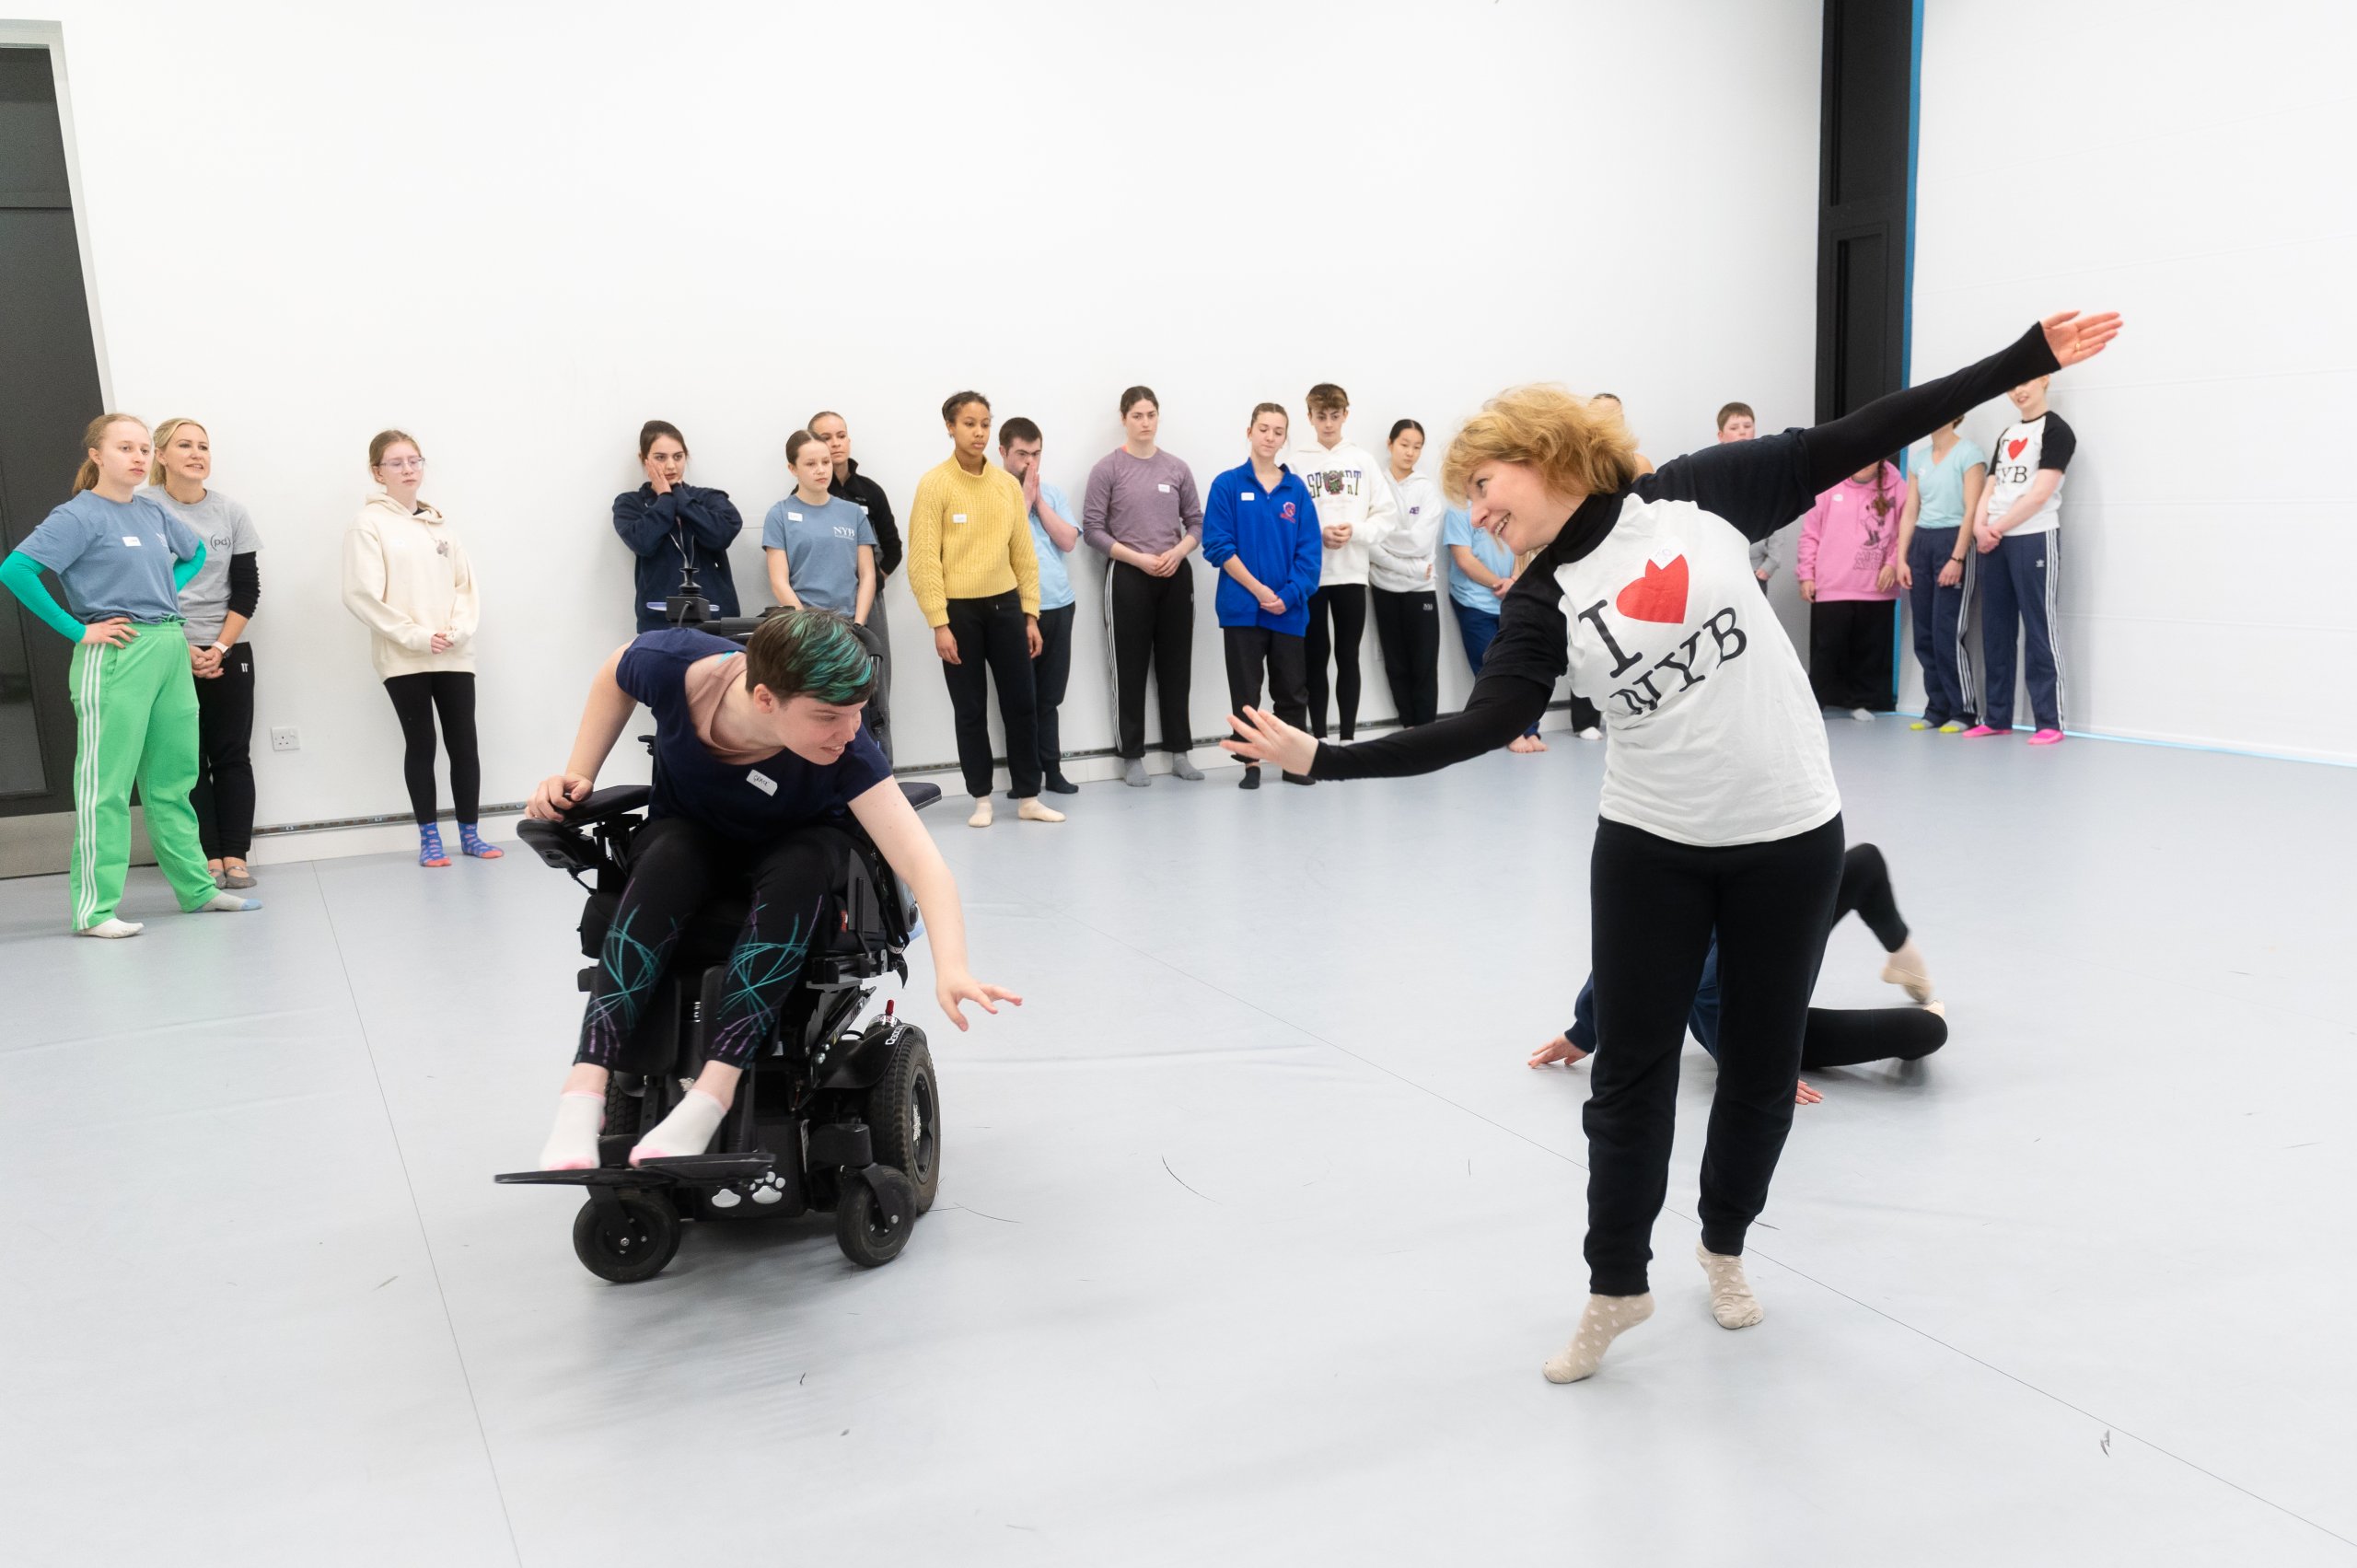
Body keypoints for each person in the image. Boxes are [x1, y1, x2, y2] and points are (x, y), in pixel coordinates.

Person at [1223, 310, 2121, 1385]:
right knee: (1630, 1082)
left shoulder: (1692, 497)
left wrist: (2027, 357)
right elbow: (1471, 726)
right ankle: (1616, 1284)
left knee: (1757, 1062)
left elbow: (1874, 424)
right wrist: (1322, 759)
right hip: (1650, 846)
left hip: (1788, 837)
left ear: (1540, 452)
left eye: (1484, 485)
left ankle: (1724, 1242)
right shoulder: (1543, 600)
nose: (1479, 511)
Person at [528, 610, 1020, 1168]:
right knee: (665, 858)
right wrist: (579, 772)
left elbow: (925, 866)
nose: (851, 731)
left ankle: (712, 1096)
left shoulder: (849, 753)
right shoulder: (674, 668)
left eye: (859, 712)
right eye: (829, 716)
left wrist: (952, 967)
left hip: (798, 846)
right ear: (765, 699)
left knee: (806, 862)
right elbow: (614, 672)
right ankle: (581, 1096)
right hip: (690, 833)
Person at [0, 413, 261, 935]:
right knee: (106, 785)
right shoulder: (78, 515)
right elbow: (16, 570)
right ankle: (94, 910)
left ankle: (196, 889)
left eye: (144, 449)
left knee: (173, 781)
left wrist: (164, 592)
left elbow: (188, 558)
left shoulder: (149, 512)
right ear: (97, 455)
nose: (139, 458)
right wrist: (79, 631)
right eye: (126, 448)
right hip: (117, 653)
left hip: (169, 645)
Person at [1531, 844, 1945, 1103]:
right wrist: (1753, 1069)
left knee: (1863, 862)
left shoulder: (1759, 874)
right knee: (1927, 1031)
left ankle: (1904, 961)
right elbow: (1641, 949)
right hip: (1758, 1030)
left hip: (1776, 954)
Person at [341, 429, 498, 866]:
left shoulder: (440, 525)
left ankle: (471, 833)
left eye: (415, 460)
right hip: (404, 654)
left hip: (452, 651)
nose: (408, 469)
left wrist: (459, 631)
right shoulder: (367, 525)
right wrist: (415, 635)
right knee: (422, 742)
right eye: (396, 462)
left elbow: (467, 587)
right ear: (377, 472)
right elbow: (361, 595)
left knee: (464, 742)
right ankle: (429, 838)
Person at [906, 391, 1063, 829]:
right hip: (959, 613)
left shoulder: (1004, 487)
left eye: (984, 424)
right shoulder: (934, 484)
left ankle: (1029, 796)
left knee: (1022, 703)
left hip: (1006, 607)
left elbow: (1023, 555)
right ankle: (981, 798)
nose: (978, 432)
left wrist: (1030, 615)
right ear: (950, 427)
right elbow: (923, 561)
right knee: (970, 708)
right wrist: (939, 622)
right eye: (969, 424)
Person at [149, 418, 263, 889]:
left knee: (232, 754)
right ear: (161, 456)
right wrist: (183, 646)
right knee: (185, 758)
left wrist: (218, 646)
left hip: (227, 648)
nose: (197, 454)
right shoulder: (143, 509)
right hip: (165, 646)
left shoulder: (231, 513)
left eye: (203, 446)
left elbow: (247, 590)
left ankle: (234, 855)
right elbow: (142, 587)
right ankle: (205, 856)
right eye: (184, 445)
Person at [1082, 386, 1204, 786]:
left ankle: (1179, 751)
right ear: (1124, 419)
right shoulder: (1108, 469)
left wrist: (1178, 552)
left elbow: (1196, 523)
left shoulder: (1177, 468)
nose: (1145, 422)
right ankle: (1131, 756)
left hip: (1174, 574)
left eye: (1151, 414)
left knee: (1176, 668)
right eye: (1137, 415)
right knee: (1129, 669)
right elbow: (1094, 530)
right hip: (1128, 575)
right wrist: (1137, 558)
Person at [1202, 402, 1323, 789]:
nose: (1270, 437)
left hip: (1289, 610)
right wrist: (1258, 590)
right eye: (1264, 429)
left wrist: (1287, 596)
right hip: (1242, 610)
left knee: (1291, 690)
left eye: (1278, 431)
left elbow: (1310, 553)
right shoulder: (1227, 484)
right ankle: (1250, 763)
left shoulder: (1296, 490)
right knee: (1247, 691)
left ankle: (1292, 764)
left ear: (1285, 437)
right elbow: (1217, 546)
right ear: (1249, 431)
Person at [1963, 377, 2076, 744]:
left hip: (2034, 537)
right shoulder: (2009, 433)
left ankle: (2049, 722)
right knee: (1996, 630)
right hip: (1994, 541)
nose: (2018, 391)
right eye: (2012, 385)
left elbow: (2041, 493)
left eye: (2026, 382)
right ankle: (1996, 716)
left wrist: (1996, 528)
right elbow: (1991, 486)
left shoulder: (2057, 430)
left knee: (2039, 628)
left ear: (2044, 380)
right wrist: (1981, 526)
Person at [1294, 383, 1399, 742]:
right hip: (1311, 575)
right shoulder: (1294, 462)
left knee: (1348, 656)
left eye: (1335, 416)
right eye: (1320, 416)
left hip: (1352, 574)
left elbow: (1386, 517)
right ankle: (1320, 737)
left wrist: (1354, 530)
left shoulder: (1362, 461)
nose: (1328, 424)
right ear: (1309, 417)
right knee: (1315, 657)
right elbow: (1285, 519)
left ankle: (1349, 738)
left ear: (1346, 415)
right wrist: (1317, 534)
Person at [811, 411, 903, 760]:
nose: (835, 443)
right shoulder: (801, 498)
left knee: (876, 686)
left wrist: (870, 581)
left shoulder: (869, 492)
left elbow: (893, 548)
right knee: (827, 690)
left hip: (870, 604)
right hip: (823, 606)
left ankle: (882, 768)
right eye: (826, 437)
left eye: (840, 435)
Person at [1001, 417, 1081, 794]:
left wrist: (1039, 501)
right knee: (1020, 699)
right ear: (1003, 453)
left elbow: (1067, 541)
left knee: (1050, 698)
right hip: (1013, 611)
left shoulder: (1053, 493)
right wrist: (1022, 501)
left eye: (1036, 454)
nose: (1030, 463)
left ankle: (1053, 768)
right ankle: (1024, 776)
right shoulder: (994, 495)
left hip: (1058, 605)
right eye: (1021, 455)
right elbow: (996, 545)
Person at [1894, 417, 1989, 732]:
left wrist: (1957, 557)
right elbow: (1910, 511)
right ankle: (1936, 708)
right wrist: (1901, 558)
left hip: (1952, 542)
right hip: (1922, 543)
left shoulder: (1969, 454)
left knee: (1947, 632)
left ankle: (1963, 712)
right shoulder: (1919, 459)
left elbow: (1972, 509)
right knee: (1924, 635)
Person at [1796, 458, 1905, 719]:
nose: (1864, 464)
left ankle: (1861, 702)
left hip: (1876, 586)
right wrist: (1806, 574)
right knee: (1828, 649)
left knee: (1869, 649)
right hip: (1833, 584)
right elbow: (1810, 533)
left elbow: (1906, 530)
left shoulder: (1897, 486)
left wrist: (1892, 564)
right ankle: (1813, 705)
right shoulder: (1828, 485)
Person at [612, 421, 743, 633]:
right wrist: (664, 497)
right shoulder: (630, 504)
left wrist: (680, 496)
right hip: (659, 621)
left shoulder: (710, 498)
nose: (671, 466)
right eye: (660, 457)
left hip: (715, 617)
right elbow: (642, 542)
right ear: (643, 459)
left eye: (678, 456)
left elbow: (720, 535)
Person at [1441, 505, 1545, 753]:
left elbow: (1523, 548)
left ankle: (1530, 729)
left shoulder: (1505, 504)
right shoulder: (1457, 511)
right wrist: (1500, 583)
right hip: (1474, 601)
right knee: (1491, 670)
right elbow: (1464, 559)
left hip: (1513, 599)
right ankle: (1511, 731)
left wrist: (1515, 582)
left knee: (1522, 667)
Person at [1368, 419, 1445, 727]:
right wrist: (1410, 565)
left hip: (1420, 590)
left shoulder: (1427, 490)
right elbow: (1370, 541)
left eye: (1417, 447)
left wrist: (1388, 540)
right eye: (1404, 445)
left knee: (1424, 663)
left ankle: (1426, 731)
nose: (1410, 452)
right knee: (1395, 662)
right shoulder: (1376, 486)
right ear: (1390, 444)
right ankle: (1408, 727)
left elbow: (1420, 540)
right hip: (1384, 586)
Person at [763, 430, 877, 621]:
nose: (821, 470)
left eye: (826, 462)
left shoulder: (853, 513)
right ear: (792, 468)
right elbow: (779, 582)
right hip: (803, 626)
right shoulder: (779, 515)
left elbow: (867, 576)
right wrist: (807, 626)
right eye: (810, 464)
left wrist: (859, 623)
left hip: (849, 624)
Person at [1716, 403, 1777, 591]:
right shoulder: (1712, 470)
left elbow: (1778, 515)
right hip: (1720, 567)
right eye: (1734, 428)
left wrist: (1772, 563)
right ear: (1721, 435)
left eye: (1747, 426)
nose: (1742, 432)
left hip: (1755, 569)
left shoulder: (1766, 471)